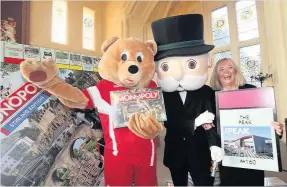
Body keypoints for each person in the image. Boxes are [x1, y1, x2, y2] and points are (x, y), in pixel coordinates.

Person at [151, 14, 224, 186]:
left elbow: (211, 122)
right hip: (175, 153)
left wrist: (214, 145)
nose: (178, 75)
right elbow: (168, 123)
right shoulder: (162, 95)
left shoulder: (205, 92)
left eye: (191, 64)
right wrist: (195, 122)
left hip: (200, 152)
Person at [210, 57, 284, 186]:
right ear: (217, 75)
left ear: (236, 71)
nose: (226, 72)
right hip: (227, 157)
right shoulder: (212, 98)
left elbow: (264, 120)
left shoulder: (251, 90)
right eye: (221, 69)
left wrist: (276, 130)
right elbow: (210, 127)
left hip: (254, 159)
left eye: (230, 67)